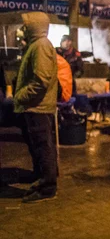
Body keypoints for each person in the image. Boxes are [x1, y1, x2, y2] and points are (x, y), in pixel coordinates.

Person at [13, 12, 59, 203]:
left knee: (43, 146)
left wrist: (20, 96)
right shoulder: (36, 45)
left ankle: (47, 186)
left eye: (26, 25)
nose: (23, 29)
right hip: (35, 106)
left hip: (37, 106)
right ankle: (40, 176)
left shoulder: (40, 46)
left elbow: (40, 81)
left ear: (35, 26)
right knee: (39, 145)